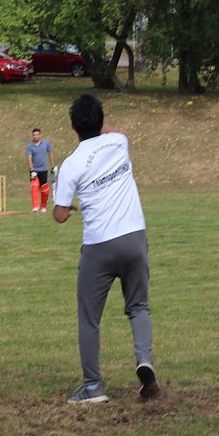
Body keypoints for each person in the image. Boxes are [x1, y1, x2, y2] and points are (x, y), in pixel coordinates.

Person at [53, 94, 159, 404]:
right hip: (135, 236)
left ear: (73, 127)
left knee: (89, 318)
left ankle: (93, 387)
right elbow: (110, 129)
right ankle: (144, 361)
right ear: (101, 121)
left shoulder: (72, 163)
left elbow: (59, 215)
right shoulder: (119, 142)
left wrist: (68, 208)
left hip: (99, 244)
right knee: (138, 306)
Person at [25, 128, 55, 213]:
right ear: (32, 136)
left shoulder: (46, 144)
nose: (36, 136)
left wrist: (53, 166)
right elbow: (29, 158)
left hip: (44, 170)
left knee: (44, 189)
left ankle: (43, 206)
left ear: (40, 135)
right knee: (34, 187)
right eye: (34, 135)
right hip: (34, 170)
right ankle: (35, 207)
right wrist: (32, 170)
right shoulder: (29, 146)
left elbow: (50, 154)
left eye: (37, 134)